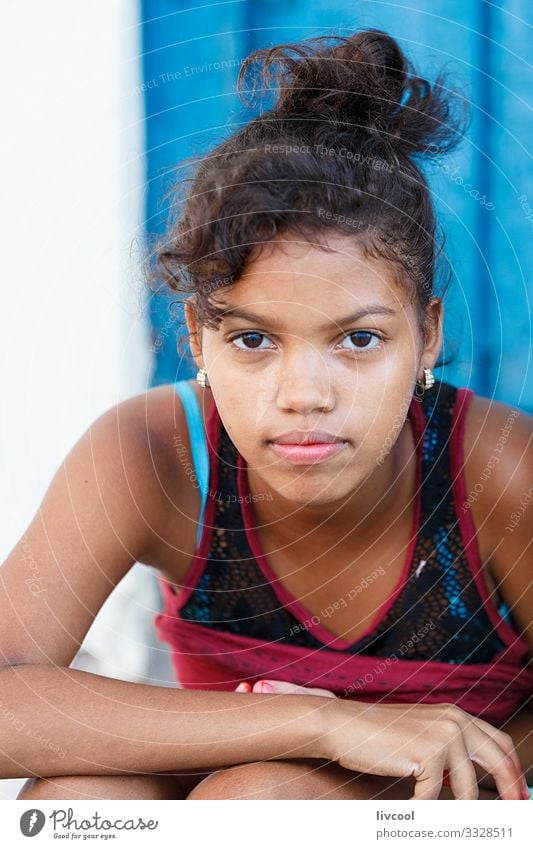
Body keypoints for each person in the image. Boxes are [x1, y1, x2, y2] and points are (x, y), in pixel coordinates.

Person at [3, 28, 531, 801]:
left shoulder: (497, 475)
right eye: (253, 338)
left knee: (260, 801)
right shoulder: (156, 453)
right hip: (236, 793)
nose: (303, 393)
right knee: (79, 797)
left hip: (442, 811)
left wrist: (445, 765)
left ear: (428, 337)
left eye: (357, 338)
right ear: (196, 341)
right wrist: (320, 724)